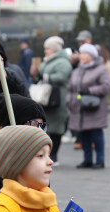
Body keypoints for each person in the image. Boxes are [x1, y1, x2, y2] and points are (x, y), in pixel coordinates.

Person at [67, 43, 110, 169]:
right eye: (81, 53)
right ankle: (87, 159)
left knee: (96, 134)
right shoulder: (77, 71)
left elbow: (106, 86)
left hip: (94, 107)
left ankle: (100, 160)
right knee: (83, 134)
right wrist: (69, 101)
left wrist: (90, 91)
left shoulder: (100, 70)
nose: (82, 56)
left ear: (92, 56)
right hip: (79, 108)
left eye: (85, 53)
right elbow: (70, 88)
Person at [30, 36, 72, 166]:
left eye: (47, 48)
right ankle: (47, 154)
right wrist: (35, 75)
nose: (45, 51)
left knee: (56, 129)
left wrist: (43, 75)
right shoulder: (47, 61)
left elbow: (61, 77)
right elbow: (39, 79)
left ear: (54, 49)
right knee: (48, 127)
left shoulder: (63, 62)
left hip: (57, 99)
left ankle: (54, 156)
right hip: (46, 99)